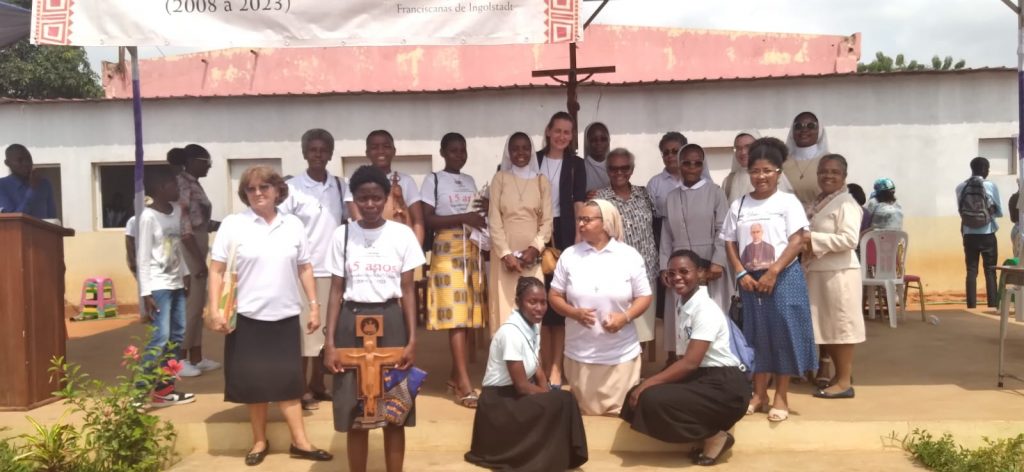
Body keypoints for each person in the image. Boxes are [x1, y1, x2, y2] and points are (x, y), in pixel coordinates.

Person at [207, 166, 331, 466]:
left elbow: (305, 267)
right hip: (247, 317)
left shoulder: (293, 225)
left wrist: (314, 305)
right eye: (251, 189)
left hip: (286, 315)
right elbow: (216, 269)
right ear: (244, 194)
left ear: (278, 190)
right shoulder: (234, 225)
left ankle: (300, 442)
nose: (258, 193)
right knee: (254, 383)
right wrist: (214, 308)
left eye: (265, 187)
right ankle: (259, 441)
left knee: (290, 382)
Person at [324, 165, 424, 472]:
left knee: (395, 412)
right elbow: (336, 290)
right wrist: (329, 342)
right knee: (356, 415)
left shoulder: (402, 234)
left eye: (377, 198)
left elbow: (408, 290)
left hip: (391, 320)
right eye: (363, 198)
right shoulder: (342, 235)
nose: (370, 205)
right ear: (353, 199)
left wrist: (411, 339)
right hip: (350, 323)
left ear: (388, 199)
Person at [621, 250, 751, 467]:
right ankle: (704, 435)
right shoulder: (684, 304)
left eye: (684, 271)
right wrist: (645, 385)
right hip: (704, 378)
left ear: (700, 273)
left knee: (650, 398)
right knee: (635, 395)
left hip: (725, 386)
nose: (677, 277)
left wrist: (649, 383)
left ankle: (714, 436)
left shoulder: (705, 309)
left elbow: (690, 362)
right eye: (671, 273)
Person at [721, 137, 817, 423]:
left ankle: (781, 396)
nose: (761, 177)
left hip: (783, 278)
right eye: (755, 171)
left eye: (767, 171)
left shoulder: (788, 202)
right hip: (749, 282)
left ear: (778, 173)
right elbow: (729, 241)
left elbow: (798, 239)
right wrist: (740, 273)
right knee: (755, 335)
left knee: (782, 334)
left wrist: (774, 271)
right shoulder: (739, 204)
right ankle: (759, 394)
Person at [464, 276, 589, 471]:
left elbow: (538, 370)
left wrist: (547, 393)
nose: (539, 308)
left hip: (514, 393)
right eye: (532, 302)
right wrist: (549, 396)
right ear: (518, 302)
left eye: (543, 302)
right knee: (562, 400)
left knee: (563, 400)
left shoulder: (531, 326)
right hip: (498, 401)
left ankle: (560, 457)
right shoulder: (511, 333)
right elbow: (522, 385)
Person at [549, 199, 653, 416]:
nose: (581, 224)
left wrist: (624, 318)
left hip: (620, 356)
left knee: (617, 416)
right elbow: (555, 296)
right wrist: (573, 312)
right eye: (579, 219)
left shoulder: (628, 256)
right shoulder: (570, 255)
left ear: (606, 223)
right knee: (585, 416)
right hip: (580, 354)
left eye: (587, 219)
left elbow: (644, 296)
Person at [277, 128, 354, 411]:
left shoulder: (339, 185)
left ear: (331, 154)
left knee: (326, 333)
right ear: (305, 153)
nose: (318, 155)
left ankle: (318, 385)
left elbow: (349, 221)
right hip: (303, 270)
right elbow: (282, 227)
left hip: (333, 269)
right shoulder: (293, 188)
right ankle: (299, 388)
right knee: (304, 334)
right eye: (313, 150)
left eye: (323, 150)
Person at [422, 132, 489, 408]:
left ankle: (453, 377)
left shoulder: (471, 181)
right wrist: (463, 217)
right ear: (442, 152)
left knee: (469, 317)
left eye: (462, 151)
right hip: (447, 252)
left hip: (470, 249)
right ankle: (464, 384)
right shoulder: (433, 180)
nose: (458, 155)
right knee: (456, 320)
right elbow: (427, 219)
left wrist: (482, 210)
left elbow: (476, 215)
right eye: (453, 150)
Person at [659, 144, 731, 363]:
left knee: (708, 314)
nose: (692, 167)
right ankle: (677, 360)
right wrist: (664, 266)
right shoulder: (672, 196)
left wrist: (718, 261)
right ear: (679, 165)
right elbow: (666, 233)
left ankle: (709, 362)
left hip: (708, 263)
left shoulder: (715, 192)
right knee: (679, 313)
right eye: (686, 162)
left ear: (703, 165)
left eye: (697, 162)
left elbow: (724, 229)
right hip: (678, 265)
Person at [803, 155, 864, 399]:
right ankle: (839, 377)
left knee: (841, 329)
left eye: (834, 172)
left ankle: (844, 382)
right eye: (823, 171)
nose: (828, 176)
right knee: (829, 329)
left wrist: (812, 239)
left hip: (839, 274)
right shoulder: (822, 201)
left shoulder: (846, 203)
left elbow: (850, 240)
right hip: (820, 272)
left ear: (844, 177)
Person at [136, 167, 195, 407]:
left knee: (176, 337)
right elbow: (142, 256)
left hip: (176, 283)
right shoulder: (148, 217)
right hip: (158, 286)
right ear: (160, 188)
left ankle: (164, 391)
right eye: (172, 184)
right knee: (160, 338)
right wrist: (145, 293)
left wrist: (186, 273)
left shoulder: (174, 213)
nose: (176, 188)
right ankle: (139, 392)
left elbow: (176, 247)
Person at [537, 111, 587, 389]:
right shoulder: (533, 159)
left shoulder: (575, 165)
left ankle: (556, 367)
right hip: (536, 233)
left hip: (566, 232)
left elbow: (579, 202)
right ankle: (542, 365)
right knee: (539, 302)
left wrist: (579, 238)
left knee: (560, 301)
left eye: (567, 132)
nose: (562, 136)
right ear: (548, 131)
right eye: (558, 130)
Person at [488, 132, 553, 335]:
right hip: (504, 255)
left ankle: (531, 364)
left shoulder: (542, 181)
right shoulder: (500, 179)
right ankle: (508, 364)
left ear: (531, 151)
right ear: (508, 152)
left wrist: (535, 248)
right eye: (515, 148)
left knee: (533, 309)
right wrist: (506, 254)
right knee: (506, 312)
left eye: (525, 147)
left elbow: (547, 221)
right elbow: (494, 219)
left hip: (532, 257)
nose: (520, 152)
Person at [594, 148, 658, 346]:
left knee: (644, 329)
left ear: (632, 169)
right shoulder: (600, 198)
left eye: (624, 168)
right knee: (619, 326)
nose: (619, 173)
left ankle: (638, 371)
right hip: (616, 272)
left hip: (646, 269)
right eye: (613, 169)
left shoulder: (644, 194)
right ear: (607, 170)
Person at [177, 144, 221, 377]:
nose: (208, 166)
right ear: (193, 161)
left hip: (199, 242)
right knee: (191, 307)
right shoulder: (183, 183)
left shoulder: (194, 183)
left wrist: (221, 225)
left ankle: (196, 356)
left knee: (198, 305)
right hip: (190, 248)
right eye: (206, 162)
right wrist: (199, 262)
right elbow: (185, 227)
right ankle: (180, 359)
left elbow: (200, 219)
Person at [648, 132, 687, 328]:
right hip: (666, 240)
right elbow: (651, 217)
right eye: (666, 152)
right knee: (671, 297)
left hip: (693, 242)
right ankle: (672, 351)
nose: (670, 156)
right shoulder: (656, 183)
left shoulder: (696, 178)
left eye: (675, 151)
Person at [956, 157, 1003, 308]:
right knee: (990, 270)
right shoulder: (990, 186)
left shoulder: (960, 187)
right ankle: (992, 304)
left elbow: (960, 211)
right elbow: (999, 211)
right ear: (983, 169)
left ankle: (971, 305)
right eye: (987, 168)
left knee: (971, 270)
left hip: (969, 234)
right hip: (988, 233)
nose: (988, 171)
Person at [365, 129, 425, 245]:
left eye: (386, 146)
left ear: (394, 151)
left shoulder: (406, 181)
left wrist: (416, 253)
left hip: (400, 247)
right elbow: (357, 218)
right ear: (367, 152)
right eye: (374, 147)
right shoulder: (359, 181)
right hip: (370, 248)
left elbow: (418, 221)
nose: (381, 151)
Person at [722, 131, 793, 203]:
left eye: (748, 147)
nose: (743, 152)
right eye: (738, 148)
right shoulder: (728, 182)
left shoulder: (773, 176)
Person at [782, 112, 830, 206]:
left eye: (811, 126)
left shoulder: (829, 162)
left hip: (822, 216)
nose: (804, 129)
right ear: (792, 131)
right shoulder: (782, 163)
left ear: (819, 130)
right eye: (798, 126)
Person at [0, 144, 56, 219]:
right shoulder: (2, 186)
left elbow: (53, 219)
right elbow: (14, 221)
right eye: (20, 160)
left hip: (42, 231)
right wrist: (32, 190)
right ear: (7, 163)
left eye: (29, 159)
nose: (26, 163)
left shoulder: (44, 184)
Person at [583, 122, 611, 193]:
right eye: (593, 140)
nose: (599, 143)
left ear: (608, 141)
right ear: (587, 142)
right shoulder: (580, 167)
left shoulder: (615, 166)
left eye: (603, 139)